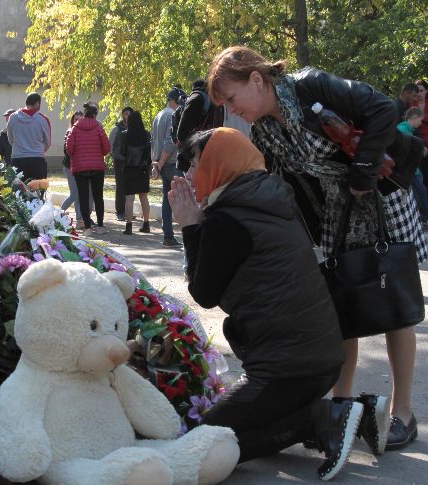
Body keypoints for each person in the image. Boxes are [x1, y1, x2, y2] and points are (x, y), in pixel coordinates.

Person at [207, 45, 428, 452]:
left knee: (394, 307)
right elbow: (279, 187)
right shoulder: (265, 133)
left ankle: (404, 414)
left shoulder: (312, 86)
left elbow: (381, 109)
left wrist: (363, 172)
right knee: (340, 304)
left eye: (232, 99)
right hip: (335, 213)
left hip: (381, 198)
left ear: (256, 80)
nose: (234, 111)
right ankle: (342, 407)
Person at [169, 127, 365, 481]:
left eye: (195, 164)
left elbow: (204, 294)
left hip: (289, 369)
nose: (188, 174)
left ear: (217, 164)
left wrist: (189, 226)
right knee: (226, 432)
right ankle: (322, 415)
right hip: (317, 360)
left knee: (201, 440)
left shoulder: (228, 218)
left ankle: (322, 418)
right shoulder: (266, 198)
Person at [65, 101, 111, 234]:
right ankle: (101, 226)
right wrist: (98, 154)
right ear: (95, 114)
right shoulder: (98, 127)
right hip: (97, 167)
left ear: (84, 114)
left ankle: (87, 228)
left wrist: (78, 155)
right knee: (98, 196)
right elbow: (107, 147)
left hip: (80, 168)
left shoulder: (74, 128)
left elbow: (69, 149)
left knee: (83, 197)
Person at [398, 108, 428, 225]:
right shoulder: (402, 129)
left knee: (417, 194)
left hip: (413, 169)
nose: (420, 124)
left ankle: (419, 218)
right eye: (420, 121)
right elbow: (404, 151)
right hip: (408, 170)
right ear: (414, 118)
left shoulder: (408, 130)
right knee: (422, 191)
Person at [151, 88, 185, 247]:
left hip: (162, 164)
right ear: (176, 100)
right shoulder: (173, 115)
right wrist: (161, 163)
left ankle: (168, 235)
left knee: (167, 199)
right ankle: (179, 235)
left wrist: (156, 164)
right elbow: (170, 142)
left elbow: (153, 142)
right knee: (182, 199)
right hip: (170, 163)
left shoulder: (159, 115)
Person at [119, 110, 152, 235]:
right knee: (144, 197)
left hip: (129, 169)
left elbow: (121, 152)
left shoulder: (124, 135)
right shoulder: (147, 135)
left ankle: (129, 226)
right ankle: (146, 224)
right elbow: (149, 153)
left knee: (129, 198)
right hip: (142, 169)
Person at [7, 92, 52, 181]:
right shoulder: (43, 119)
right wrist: (38, 150)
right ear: (37, 103)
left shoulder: (12, 117)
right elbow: (48, 142)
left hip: (18, 158)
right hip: (37, 159)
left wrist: (19, 147)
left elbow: (10, 138)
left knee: (19, 191)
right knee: (37, 190)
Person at [60, 111, 95, 225]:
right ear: (72, 121)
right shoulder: (69, 132)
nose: (78, 121)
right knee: (75, 194)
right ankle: (59, 212)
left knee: (83, 194)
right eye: (75, 119)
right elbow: (67, 151)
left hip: (82, 167)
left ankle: (81, 218)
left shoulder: (86, 133)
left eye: (80, 119)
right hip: (70, 167)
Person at [109, 107, 133, 221]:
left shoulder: (134, 129)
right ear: (123, 115)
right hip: (119, 162)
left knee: (130, 187)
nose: (128, 116)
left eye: (130, 114)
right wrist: (116, 157)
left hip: (131, 162)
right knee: (120, 187)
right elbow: (110, 146)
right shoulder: (117, 129)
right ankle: (120, 211)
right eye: (126, 114)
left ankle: (127, 211)